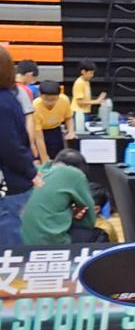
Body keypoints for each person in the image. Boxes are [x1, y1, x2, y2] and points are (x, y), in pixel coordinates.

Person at [19, 149, 105, 244]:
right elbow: (89, 221)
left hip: (17, 240)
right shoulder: (75, 174)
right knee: (98, 234)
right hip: (49, 242)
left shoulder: (36, 170)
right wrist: (73, 217)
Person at [0, 46, 40, 243]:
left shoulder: (4, 100)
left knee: (8, 242)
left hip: (8, 182)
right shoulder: (10, 96)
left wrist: (30, 171)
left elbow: (9, 145)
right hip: (13, 179)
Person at [33, 80, 75, 161]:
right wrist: (44, 158)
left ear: (59, 96)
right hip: (40, 131)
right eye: (46, 99)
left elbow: (68, 117)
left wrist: (71, 131)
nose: (49, 102)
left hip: (55, 130)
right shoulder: (35, 106)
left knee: (57, 157)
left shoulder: (64, 100)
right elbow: (39, 138)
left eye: (53, 99)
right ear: (40, 95)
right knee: (40, 159)